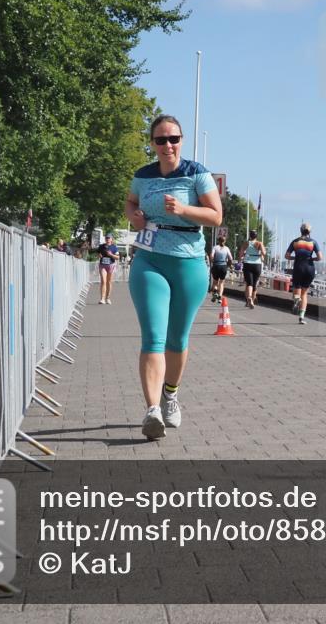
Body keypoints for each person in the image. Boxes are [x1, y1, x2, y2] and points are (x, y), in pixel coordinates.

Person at [125, 115, 222, 441]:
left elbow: (216, 215)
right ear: (152, 143)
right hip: (149, 261)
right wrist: (134, 218)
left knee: (176, 340)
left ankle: (170, 394)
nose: (168, 145)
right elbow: (130, 203)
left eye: (174, 139)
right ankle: (152, 411)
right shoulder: (143, 175)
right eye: (161, 140)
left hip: (188, 263)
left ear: (181, 140)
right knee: (153, 337)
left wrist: (183, 210)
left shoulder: (197, 173)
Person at [285, 223, 322, 325]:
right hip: (310, 268)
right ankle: (301, 317)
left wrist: (295, 258)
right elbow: (320, 257)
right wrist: (312, 258)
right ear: (309, 232)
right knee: (305, 293)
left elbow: (287, 256)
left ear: (300, 230)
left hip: (298, 267)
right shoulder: (313, 242)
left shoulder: (295, 241)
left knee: (297, 290)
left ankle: (296, 299)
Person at [239, 229, 266, 308]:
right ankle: (252, 301)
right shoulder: (259, 243)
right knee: (254, 284)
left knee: (249, 283)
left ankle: (249, 297)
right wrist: (260, 252)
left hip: (247, 263)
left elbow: (240, 254)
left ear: (250, 236)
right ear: (256, 236)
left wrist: (240, 259)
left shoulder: (246, 243)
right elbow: (264, 253)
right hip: (257, 264)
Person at [208, 236, 233, 303]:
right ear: (225, 241)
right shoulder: (227, 248)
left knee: (215, 282)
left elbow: (211, 256)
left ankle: (215, 293)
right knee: (221, 282)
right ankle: (220, 297)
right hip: (223, 266)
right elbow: (230, 258)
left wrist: (212, 262)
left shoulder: (215, 247)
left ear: (218, 241)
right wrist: (229, 265)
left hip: (216, 265)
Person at [97, 233, 120, 305]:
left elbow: (118, 257)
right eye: (106, 238)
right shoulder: (101, 246)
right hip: (103, 265)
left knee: (109, 282)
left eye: (109, 238)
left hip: (111, 265)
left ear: (111, 239)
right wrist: (99, 255)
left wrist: (111, 255)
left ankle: (108, 298)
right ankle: (102, 299)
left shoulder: (114, 247)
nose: (107, 239)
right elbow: (98, 253)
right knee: (103, 281)